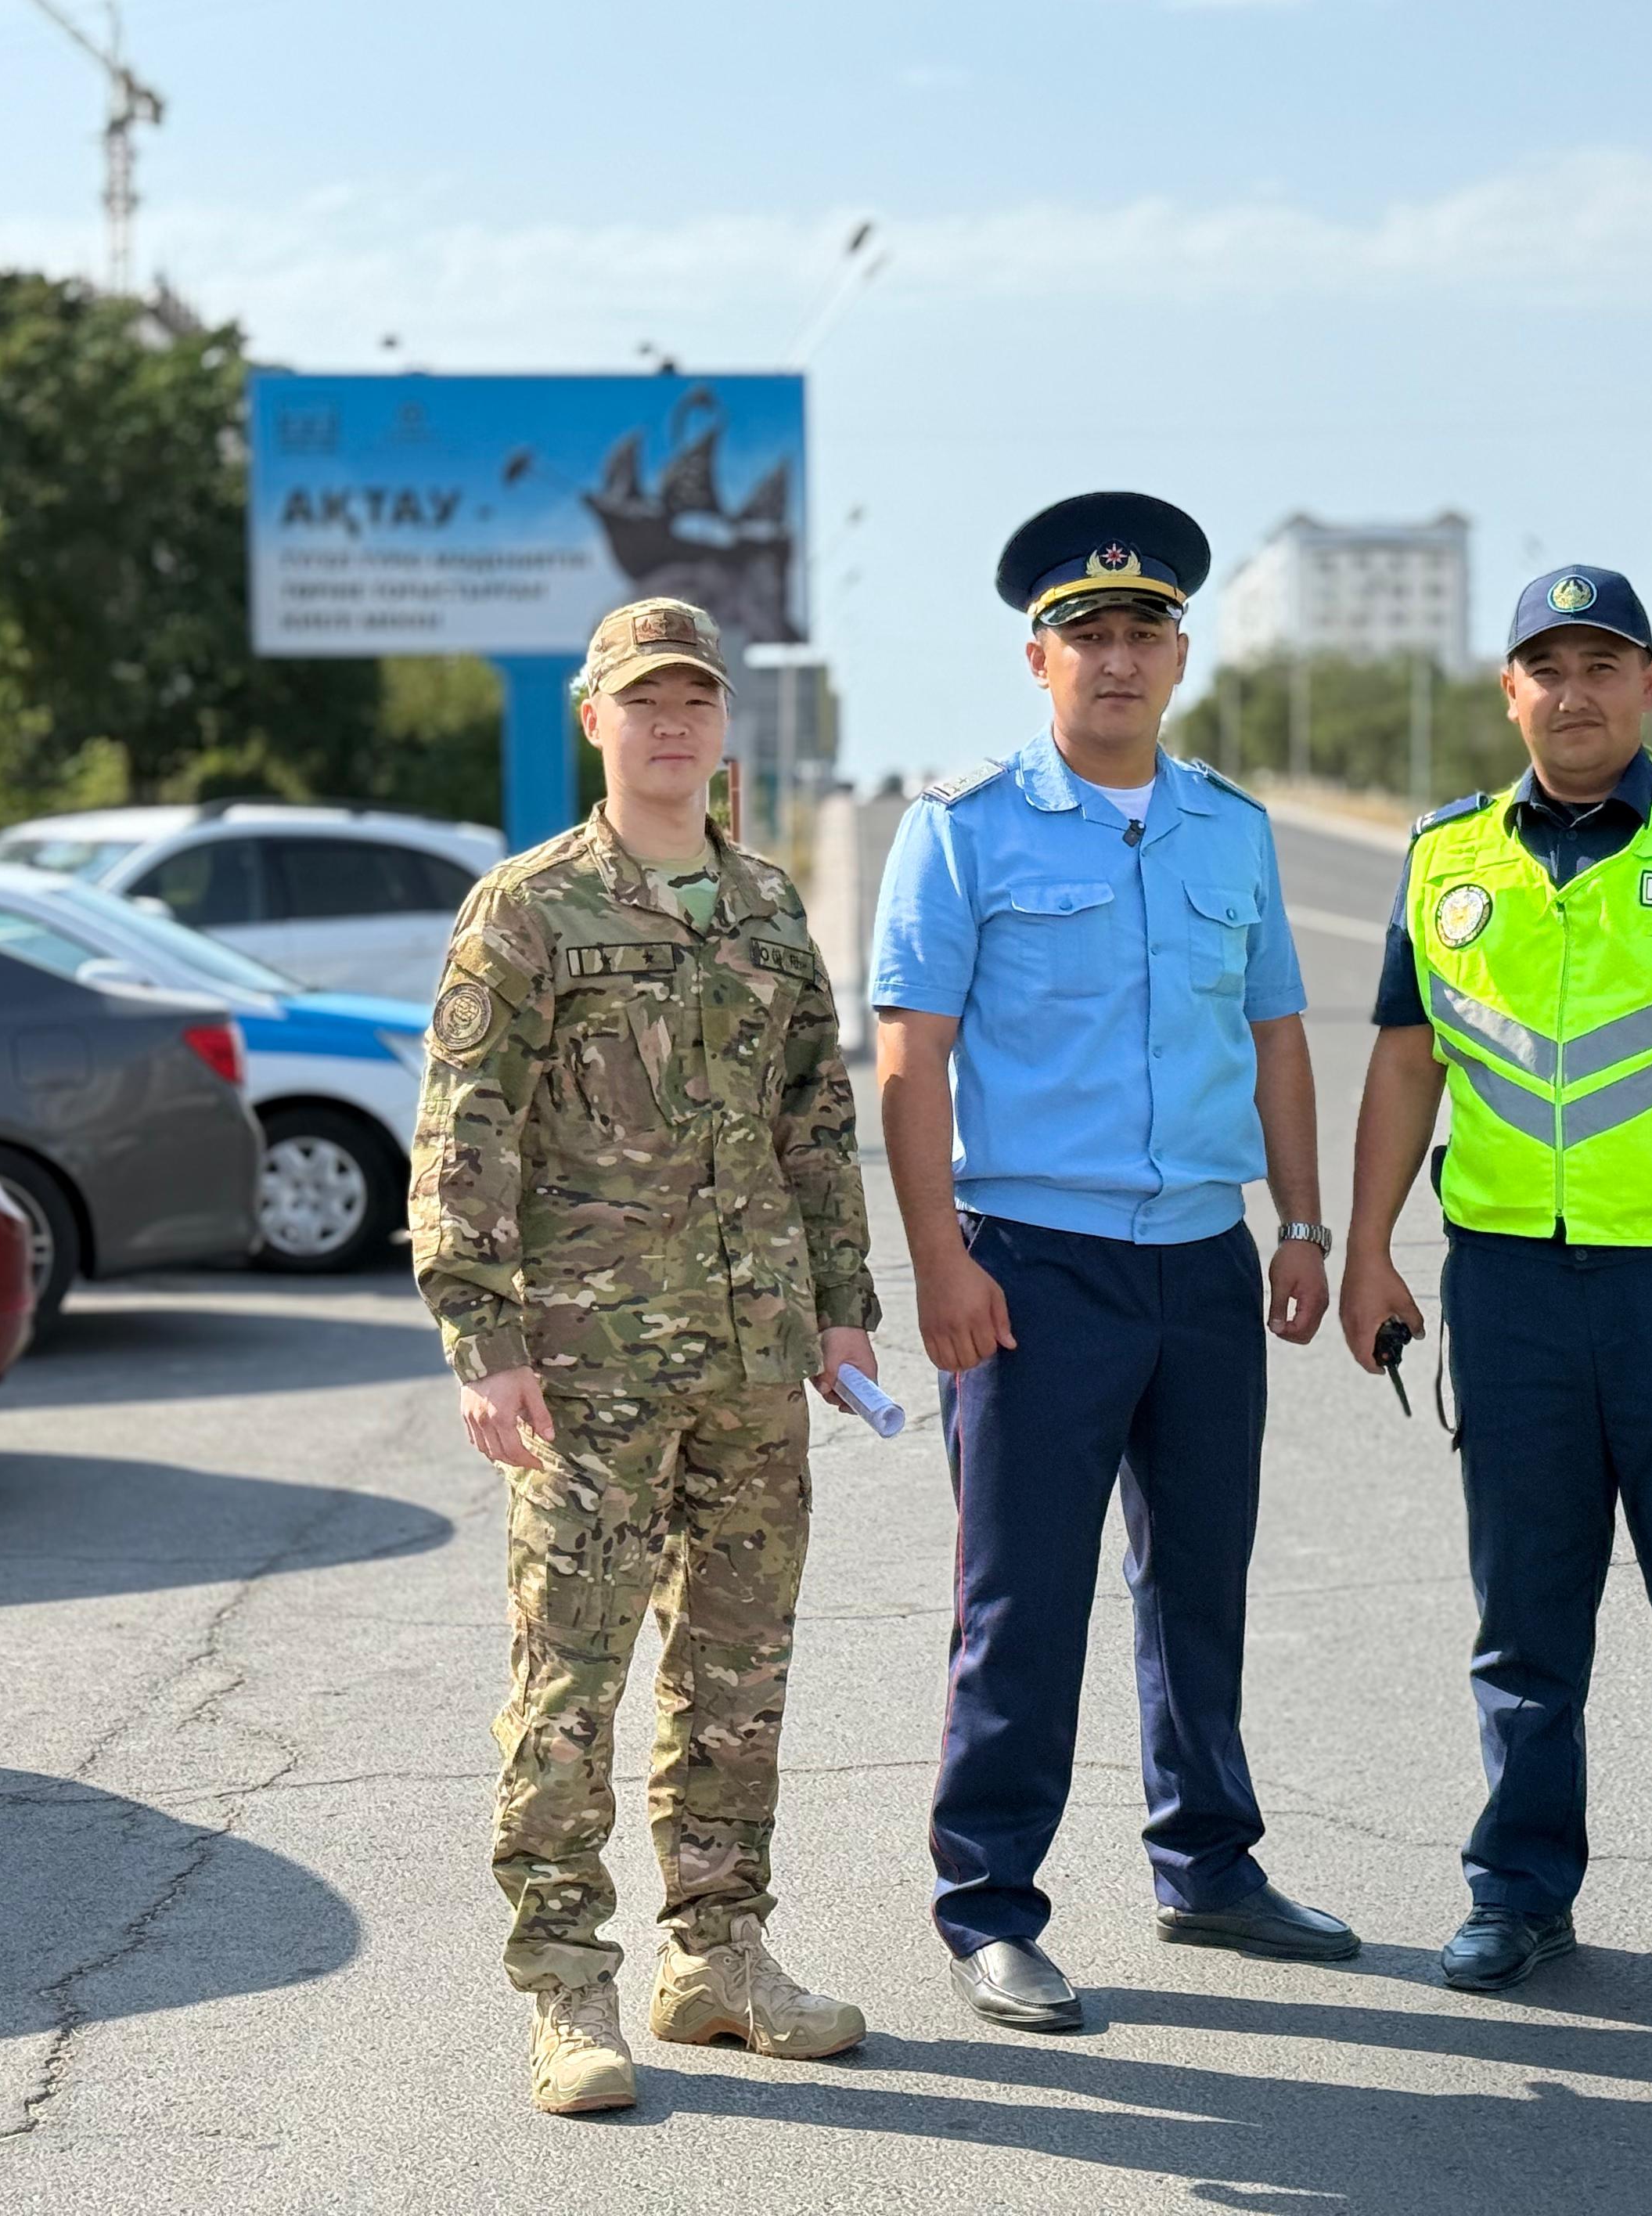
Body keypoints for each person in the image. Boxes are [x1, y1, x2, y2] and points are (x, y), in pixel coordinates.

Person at [869, 491, 1356, 2034]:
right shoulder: (963, 830)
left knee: (1199, 1579)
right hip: (1033, 1267)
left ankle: (1209, 1865)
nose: (1119, 658)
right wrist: (940, 1261)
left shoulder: (1232, 827)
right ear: (1038, 657)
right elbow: (909, 1061)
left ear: (1182, 652)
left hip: (1203, 1264)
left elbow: (1275, 1036)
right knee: (1025, 1598)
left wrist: (1298, 1224)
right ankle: (990, 1905)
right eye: (1089, 633)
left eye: (1144, 631)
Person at [1335, 564, 1652, 2010]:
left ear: (1648, 684)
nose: (1574, 693)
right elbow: (1405, 1059)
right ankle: (1519, 1894)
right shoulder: (1446, 858)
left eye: (1602, 665)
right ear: (1510, 692)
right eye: (1545, 668)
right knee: (1526, 1622)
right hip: (1511, 1292)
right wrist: (1372, 1245)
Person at [409, 597, 882, 2115]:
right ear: (595, 719)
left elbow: (813, 1118)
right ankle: (565, 1992)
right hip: (585, 1365)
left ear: (723, 723)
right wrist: (481, 1342)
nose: (673, 723)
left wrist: (840, 1305)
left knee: (735, 1678)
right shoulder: (529, 908)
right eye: (643, 699)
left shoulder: (762, 908)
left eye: (695, 699)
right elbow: (463, 1128)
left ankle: (719, 1959)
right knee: (570, 1683)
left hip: (750, 1360)